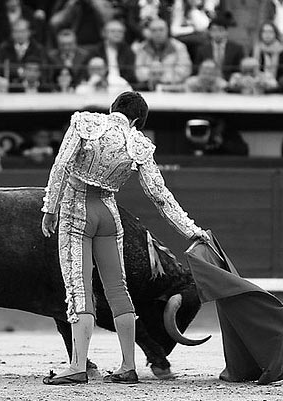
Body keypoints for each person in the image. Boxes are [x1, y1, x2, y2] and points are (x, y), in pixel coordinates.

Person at [40, 91, 208, 385]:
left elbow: (61, 166)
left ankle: (78, 365)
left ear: (112, 108)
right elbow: (160, 196)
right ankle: (128, 366)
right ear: (138, 121)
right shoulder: (139, 144)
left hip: (77, 210)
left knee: (79, 288)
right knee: (118, 290)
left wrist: (49, 208)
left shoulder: (85, 123)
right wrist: (191, 230)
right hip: (109, 214)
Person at [133, 18, 192, 90]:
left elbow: (184, 71)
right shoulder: (142, 48)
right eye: (154, 30)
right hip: (147, 88)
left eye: (161, 29)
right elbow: (138, 72)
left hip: (173, 88)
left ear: (167, 30)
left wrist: (161, 76)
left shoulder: (179, 47)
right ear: (150, 32)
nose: (158, 33)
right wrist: (152, 75)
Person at [0, 18, 47, 83]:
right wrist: (19, 72)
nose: (19, 35)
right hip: (9, 85)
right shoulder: (3, 48)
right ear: (12, 33)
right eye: (16, 31)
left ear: (29, 32)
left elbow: (44, 69)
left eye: (22, 31)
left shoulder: (38, 49)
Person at [86, 19, 137, 85]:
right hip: (101, 87)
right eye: (113, 31)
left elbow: (131, 75)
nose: (117, 34)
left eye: (120, 32)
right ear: (104, 33)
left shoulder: (128, 51)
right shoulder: (96, 51)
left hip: (123, 87)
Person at [194, 15, 245, 80]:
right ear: (210, 33)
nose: (217, 33)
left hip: (230, 83)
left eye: (220, 30)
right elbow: (197, 70)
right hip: (208, 82)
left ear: (226, 32)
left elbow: (240, 69)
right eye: (214, 30)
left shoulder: (237, 49)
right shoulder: (202, 49)